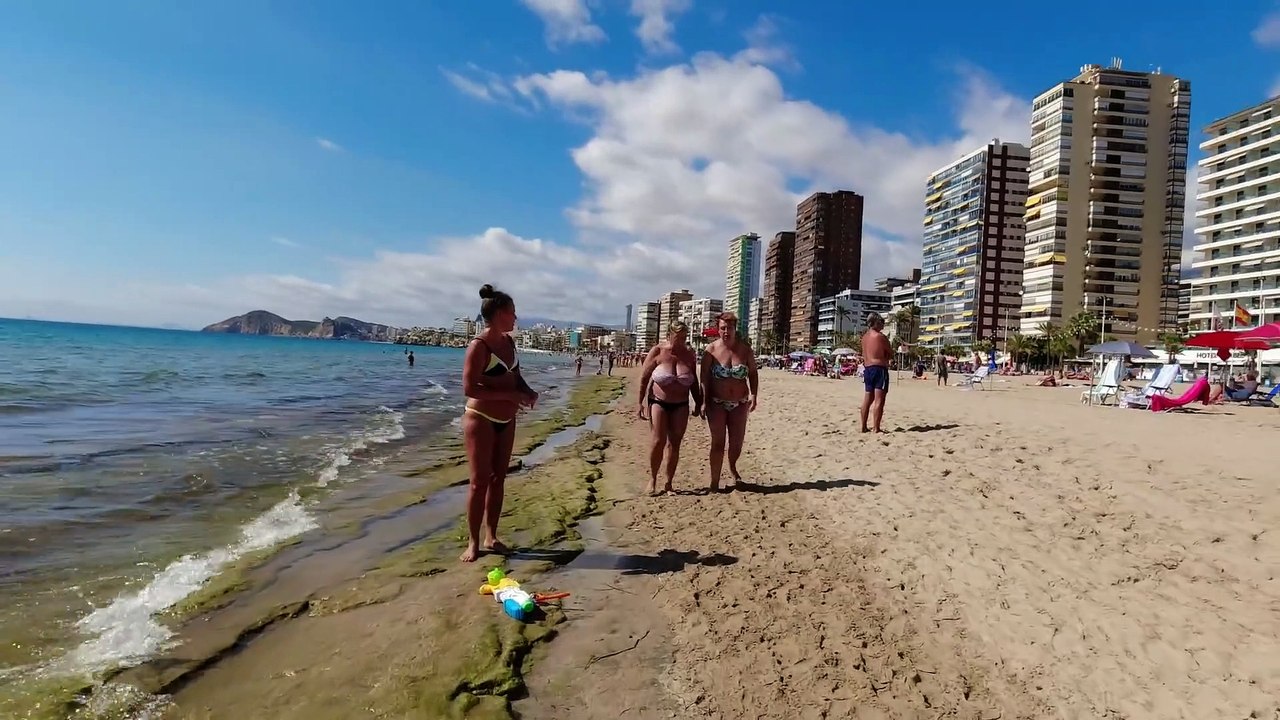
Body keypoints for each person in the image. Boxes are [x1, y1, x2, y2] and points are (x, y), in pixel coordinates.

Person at [460, 284, 538, 562]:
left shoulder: (509, 342)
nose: (516, 318)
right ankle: (472, 542)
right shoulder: (478, 346)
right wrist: (510, 394)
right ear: (498, 315)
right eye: (512, 313)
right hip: (480, 418)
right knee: (479, 482)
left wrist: (527, 392)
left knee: (498, 479)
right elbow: (469, 388)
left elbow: (515, 377)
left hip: (507, 418)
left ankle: (491, 536)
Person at [636, 321, 701, 495]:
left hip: (681, 404)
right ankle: (653, 479)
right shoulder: (658, 351)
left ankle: (669, 483)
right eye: (677, 337)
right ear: (669, 335)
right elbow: (644, 377)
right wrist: (639, 403)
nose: (680, 341)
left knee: (675, 443)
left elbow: (694, 381)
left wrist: (699, 402)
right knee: (658, 441)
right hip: (658, 401)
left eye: (684, 338)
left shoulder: (688, 355)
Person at [700, 313, 758, 492]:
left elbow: (753, 373)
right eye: (723, 328)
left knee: (736, 443)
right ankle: (714, 481)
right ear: (718, 329)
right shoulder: (710, 350)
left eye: (730, 328)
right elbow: (704, 378)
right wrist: (703, 401)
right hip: (716, 403)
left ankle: (732, 467)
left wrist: (754, 394)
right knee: (718, 443)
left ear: (735, 329)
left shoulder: (745, 350)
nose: (726, 331)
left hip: (739, 403)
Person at [860, 313, 890, 433]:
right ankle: (876, 428)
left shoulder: (864, 337)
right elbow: (889, 351)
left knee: (867, 399)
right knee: (879, 400)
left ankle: (863, 427)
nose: (883, 325)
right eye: (881, 322)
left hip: (867, 369)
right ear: (876, 322)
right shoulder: (880, 336)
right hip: (879, 368)